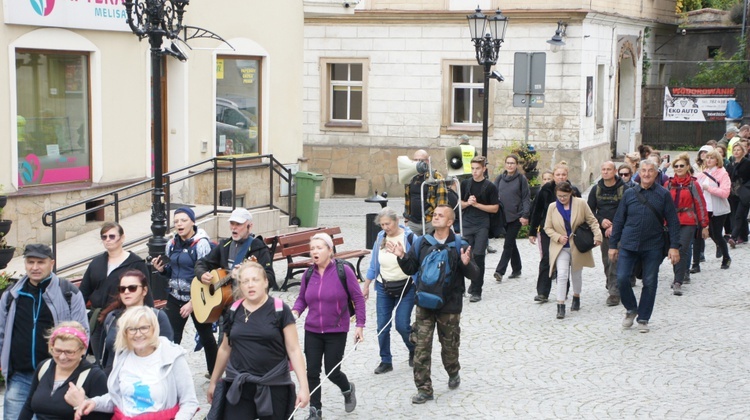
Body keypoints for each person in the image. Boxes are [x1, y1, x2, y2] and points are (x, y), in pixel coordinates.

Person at [390, 205, 479, 404]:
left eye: (440, 216)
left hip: (450, 306)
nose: (435, 217)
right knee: (421, 346)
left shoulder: (459, 244)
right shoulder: (422, 242)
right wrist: (402, 256)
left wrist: (466, 263)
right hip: (424, 303)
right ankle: (424, 389)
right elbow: (411, 268)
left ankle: (453, 370)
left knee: (449, 346)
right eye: (434, 215)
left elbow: (474, 275)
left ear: (450, 222)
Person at [208, 262, 309, 420]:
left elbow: (294, 349)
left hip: (273, 385)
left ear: (265, 282)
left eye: (255, 280)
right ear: (240, 285)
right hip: (239, 385)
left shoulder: (280, 310)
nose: (250, 285)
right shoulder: (233, 311)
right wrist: (214, 382)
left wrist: (304, 387)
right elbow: (224, 349)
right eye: (245, 281)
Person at [0, 244, 89, 420]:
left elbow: (82, 334)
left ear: (52, 263)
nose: (35, 267)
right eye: (30, 262)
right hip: (20, 376)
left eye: (40, 262)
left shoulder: (68, 293)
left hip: (56, 376)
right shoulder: (12, 295)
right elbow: (1, 331)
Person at [75, 306, 199, 420]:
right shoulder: (122, 356)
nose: (138, 334)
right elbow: (119, 399)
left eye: (144, 328)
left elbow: (189, 402)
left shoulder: (172, 356)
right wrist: (95, 403)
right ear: (125, 333)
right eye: (132, 329)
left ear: (154, 329)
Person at [291, 233, 366, 420]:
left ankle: (347, 389)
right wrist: (295, 312)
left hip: (336, 330)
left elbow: (358, 298)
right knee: (312, 372)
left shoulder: (344, 271)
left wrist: (360, 325)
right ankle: (315, 411)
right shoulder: (308, 274)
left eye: (319, 248)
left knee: (332, 371)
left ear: (330, 250)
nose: (314, 252)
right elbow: (302, 299)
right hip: (312, 330)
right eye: (312, 248)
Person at [609, 160, 681, 333]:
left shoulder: (663, 194)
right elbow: (619, 220)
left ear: (656, 174)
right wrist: (613, 245)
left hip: (653, 246)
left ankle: (643, 318)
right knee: (622, 278)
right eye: (644, 171)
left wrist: (674, 246)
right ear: (638, 173)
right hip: (628, 244)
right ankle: (631, 309)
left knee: (649, 281)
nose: (647, 174)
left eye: (650, 171)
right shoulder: (629, 194)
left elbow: (673, 222)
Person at [153, 207, 218, 377]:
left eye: (183, 220)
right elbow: (172, 271)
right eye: (176, 221)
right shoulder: (172, 244)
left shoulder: (201, 244)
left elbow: (207, 277)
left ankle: (215, 373)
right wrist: (161, 270)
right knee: (170, 339)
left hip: (198, 298)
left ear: (192, 222)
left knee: (206, 337)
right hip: (175, 296)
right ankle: (169, 376)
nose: (179, 224)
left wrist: (192, 303)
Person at [80, 222, 151, 366]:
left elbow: (145, 293)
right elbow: (83, 292)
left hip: (124, 318)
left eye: (112, 236)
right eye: (104, 237)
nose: (107, 239)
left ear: (122, 238)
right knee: (100, 361)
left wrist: (148, 317)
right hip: (98, 319)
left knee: (121, 359)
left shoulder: (136, 263)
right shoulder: (97, 262)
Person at [362, 207, 416, 375]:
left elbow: (417, 262)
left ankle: (414, 349)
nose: (385, 227)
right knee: (382, 326)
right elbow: (373, 264)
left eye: (388, 223)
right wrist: (366, 285)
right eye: (382, 224)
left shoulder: (410, 237)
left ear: (397, 221)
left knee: (402, 325)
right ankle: (386, 360)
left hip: (406, 287)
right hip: (384, 286)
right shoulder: (380, 237)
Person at [20, 321, 109, 420]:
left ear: (83, 350)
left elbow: (105, 417)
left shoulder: (95, 377)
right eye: (57, 350)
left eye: (69, 352)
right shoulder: (44, 367)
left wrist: (80, 405)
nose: (62, 357)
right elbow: (28, 406)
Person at [545, 182, 601, 319]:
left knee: (576, 274)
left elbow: (592, 220)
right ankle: (561, 304)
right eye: (559, 196)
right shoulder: (552, 207)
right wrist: (558, 237)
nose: (562, 198)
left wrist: (598, 235)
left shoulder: (580, 203)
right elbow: (547, 227)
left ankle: (576, 296)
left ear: (570, 193)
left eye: (564, 196)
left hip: (578, 245)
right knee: (562, 274)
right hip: (561, 247)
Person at [98, 270, 173, 373]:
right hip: (114, 379)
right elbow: (106, 355)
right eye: (122, 289)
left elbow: (167, 352)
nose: (126, 292)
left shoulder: (157, 317)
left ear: (144, 291)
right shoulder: (112, 317)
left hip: (147, 377)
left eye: (132, 288)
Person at [528, 161, 581, 303]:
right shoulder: (545, 190)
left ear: (567, 175)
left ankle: (564, 289)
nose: (561, 177)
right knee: (547, 258)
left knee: (566, 261)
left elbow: (580, 210)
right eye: (558, 174)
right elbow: (537, 211)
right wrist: (532, 231)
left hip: (567, 231)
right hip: (548, 230)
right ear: (553, 176)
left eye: (563, 174)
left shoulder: (573, 190)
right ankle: (543, 292)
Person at [194, 208, 275, 291]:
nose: (234, 228)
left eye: (238, 224)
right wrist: (202, 274)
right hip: (226, 299)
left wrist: (247, 275)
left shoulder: (259, 248)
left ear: (250, 227)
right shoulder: (224, 246)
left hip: (247, 298)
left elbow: (270, 278)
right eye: (232, 223)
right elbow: (202, 263)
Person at [664, 153, 708, 296]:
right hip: (672, 221)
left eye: (681, 165)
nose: (678, 168)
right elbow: (662, 204)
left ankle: (678, 281)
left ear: (687, 167)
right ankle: (679, 274)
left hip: (688, 220)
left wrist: (704, 224)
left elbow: (700, 204)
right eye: (676, 166)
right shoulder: (669, 184)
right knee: (673, 248)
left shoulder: (692, 184)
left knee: (682, 249)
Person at [587, 161, 628, 306]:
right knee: (606, 260)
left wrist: (615, 226)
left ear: (615, 171)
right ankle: (611, 282)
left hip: (620, 230)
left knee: (615, 259)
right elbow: (590, 211)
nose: (605, 172)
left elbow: (627, 211)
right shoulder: (596, 189)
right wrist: (601, 220)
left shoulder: (624, 189)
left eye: (608, 169)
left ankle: (614, 292)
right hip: (603, 231)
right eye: (603, 169)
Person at [459, 156, 499, 302]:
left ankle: (477, 290)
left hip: (482, 224)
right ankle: (465, 285)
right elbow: (458, 204)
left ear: (484, 169)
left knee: (479, 255)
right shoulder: (465, 184)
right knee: (465, 255)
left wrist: (477, 205)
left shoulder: (490, 186)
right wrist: (467, 203)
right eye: (473, 168)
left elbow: (495, 208)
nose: (475, 172)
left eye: (477, 169)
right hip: (467, 222)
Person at [492, 154, 530, 282]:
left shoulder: (521, 179)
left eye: (512, 163)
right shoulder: (499, 179)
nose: (510, 165)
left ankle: (499, 271)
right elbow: (494, 196)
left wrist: (525, 215)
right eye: (508, 163)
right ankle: (517, 268)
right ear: (505, 164)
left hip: (516, 217)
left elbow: (525, 198)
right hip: (503, 217)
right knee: (511, 242)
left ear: (516, 165)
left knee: (507, 244)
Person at [696, 149, 732, 269]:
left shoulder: (722, 173)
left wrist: (709, 188)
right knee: (704, 234)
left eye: (712, 158)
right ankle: (697, 260)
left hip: (718, 209)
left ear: (717, 160)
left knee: (716, 234)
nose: (709, 160)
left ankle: (726, 257)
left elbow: (725, 192)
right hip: (705, 208)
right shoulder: (703, 173)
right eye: (707, 158)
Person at [403, 149, 447, 236]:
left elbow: (442, 202)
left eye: (421, 160)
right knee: (412, 248)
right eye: (416, 160)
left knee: (430, 247)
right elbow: (408, 199)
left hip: (429, 221)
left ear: (428, 161)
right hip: (413, 222)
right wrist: (406, 219)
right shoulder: (410, 177)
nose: (418, 162)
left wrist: (437, 220)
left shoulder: (435, 176)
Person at [728, 143, 750, 246]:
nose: (736, 152)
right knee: (737, 214)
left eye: (738, 150)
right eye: (734, 150)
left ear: (743, 151)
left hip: (744, 192)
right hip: (733, 193)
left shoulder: (747, 163)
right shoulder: (730, 163)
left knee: (739, 214)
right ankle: (744, 235)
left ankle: (734, 237)